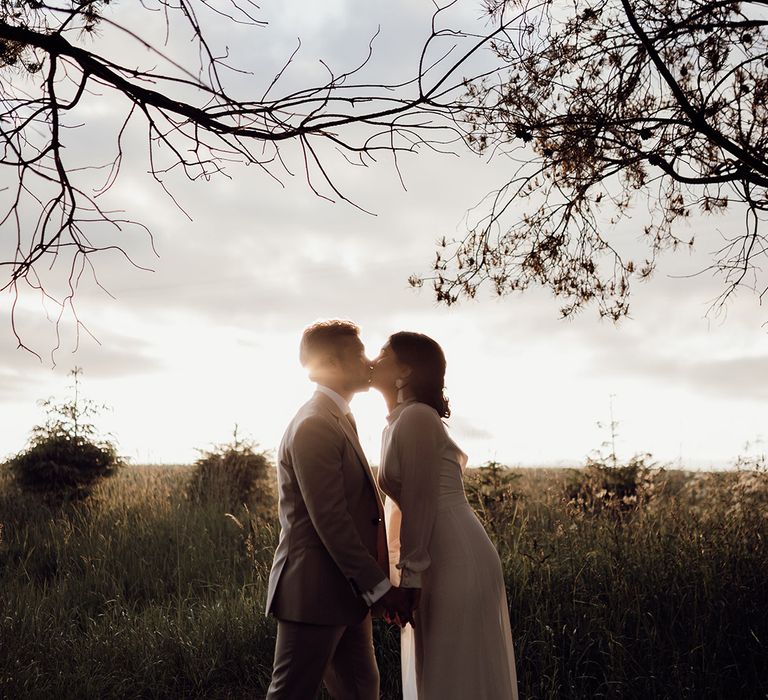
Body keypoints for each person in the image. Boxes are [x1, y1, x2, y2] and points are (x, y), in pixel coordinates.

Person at [265, 320, 417, 700]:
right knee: (290, 693)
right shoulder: (315, 424)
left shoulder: (338, 417)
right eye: (358, 353)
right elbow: (331, 522)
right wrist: (381, 589)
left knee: (363, 689)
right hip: (313, 592)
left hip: (346, 593)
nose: (367, 361)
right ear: (330, 363)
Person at [370, 331, 519, 700]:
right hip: (434, 553)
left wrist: (410, 578)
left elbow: (420, 503)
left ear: (404, 370)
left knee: (454, 670)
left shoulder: (418, 418)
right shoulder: (396, 422)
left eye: (383, 354)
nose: (373, 360)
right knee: (437, 669)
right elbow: (401, 509)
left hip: (452, 556)